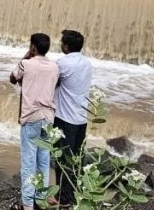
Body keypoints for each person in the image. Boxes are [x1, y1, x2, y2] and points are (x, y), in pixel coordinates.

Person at [9, 33, 59, 210]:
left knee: (29, 161)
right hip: (48, 117)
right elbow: (57, 84)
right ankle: (41, 197)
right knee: (44, 160)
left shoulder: (26, 64)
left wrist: (27, 56)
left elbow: (13, 77)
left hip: (31, 117)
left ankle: (28, 204)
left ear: (33, 47)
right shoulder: (54, 67)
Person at [53, 29, 94, 208]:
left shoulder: (62, 63)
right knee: (76, 158)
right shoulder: (87, 63)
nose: (61, 44)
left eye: (62, 42)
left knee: (62, 160)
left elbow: (53, 82)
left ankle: (63, 199)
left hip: (64, 118)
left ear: (66, 46)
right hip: (81, 118)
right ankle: (73, 194)